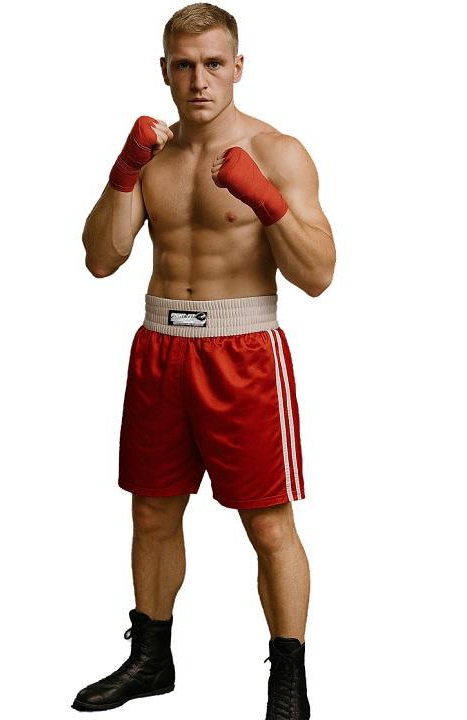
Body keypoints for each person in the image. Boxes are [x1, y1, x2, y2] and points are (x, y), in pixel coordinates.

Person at [72, 3, 334, 718]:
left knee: (268, 524)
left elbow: (318, 275)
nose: (199, 80)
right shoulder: (152, 155)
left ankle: (288, 683)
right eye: (184, 66)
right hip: (160, 348)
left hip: (242, 352)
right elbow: (101, 260)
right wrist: (124, 171)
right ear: (164, 70)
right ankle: (151, 659)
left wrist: (266, 200)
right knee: (153, 513)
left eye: (214, 64)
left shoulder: (278, 151)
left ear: (238, 67)